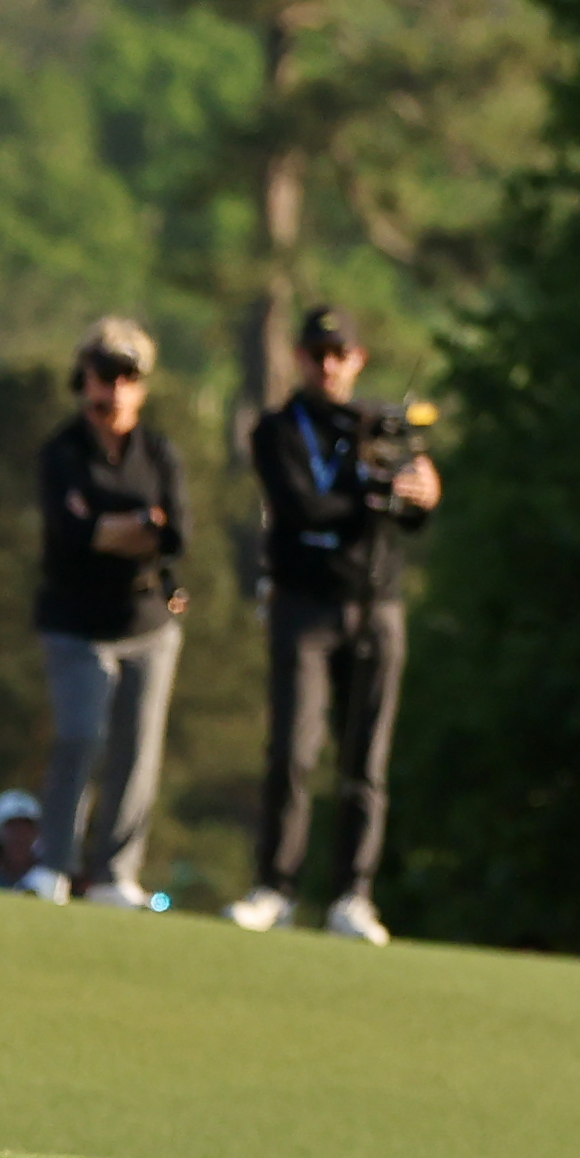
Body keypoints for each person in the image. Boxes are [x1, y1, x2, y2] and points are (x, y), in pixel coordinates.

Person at [228, 306, 440, 943]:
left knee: (365, 760)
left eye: (338, 353)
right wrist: (379, 491)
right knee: (292, 752)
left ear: (357, 359)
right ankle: (276, 887)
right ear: (298, 357)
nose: (327, 364)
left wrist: (422, 492)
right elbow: (302, 506)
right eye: (316, 352)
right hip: (305, 605)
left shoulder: (379, 425)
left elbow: (410, 516)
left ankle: (353, 895)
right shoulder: (276, 430)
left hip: (377, 605)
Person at [33, 316, 189, 909]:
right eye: (102, 375)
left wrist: (109, 527)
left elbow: (179, 533)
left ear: (142, 386)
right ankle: (55, 866)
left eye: (127, 376)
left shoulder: (158, 453)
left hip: (146, 622)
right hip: (74, 623)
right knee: (80, 735)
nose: (113, 389)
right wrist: (135, 526)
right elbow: (70, 533)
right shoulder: (62, 453)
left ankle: (114, 875)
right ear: (83, 379)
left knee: (137, 747)